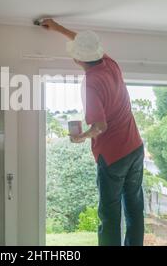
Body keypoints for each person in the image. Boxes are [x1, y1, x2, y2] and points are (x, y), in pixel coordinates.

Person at [41, 18, 145, 246]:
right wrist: (58, 28)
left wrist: (81, 136)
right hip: (135, 148)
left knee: (109, 213)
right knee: (135, 206)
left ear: (77, 59)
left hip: (113, 155)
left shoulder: (91, 82)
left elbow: (100, 127)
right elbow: (85, 44)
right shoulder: (110, 63)